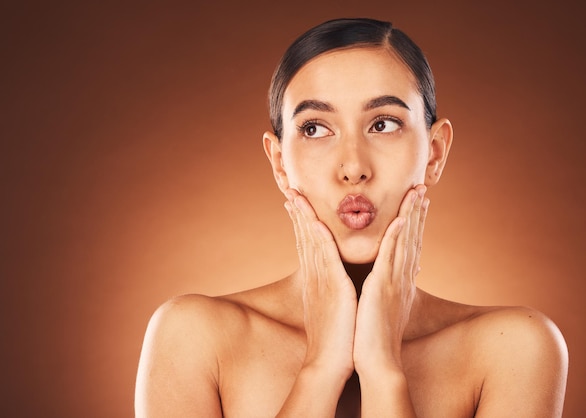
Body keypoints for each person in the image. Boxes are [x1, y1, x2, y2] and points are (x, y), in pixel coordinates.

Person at [134, 18, 568, 417]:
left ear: (435, 152)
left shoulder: (514, 349)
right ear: (280, 162)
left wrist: (383, 367)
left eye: (383, 124)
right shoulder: (192, 338)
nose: (353, 167)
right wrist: (321, 366)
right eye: (315, 128)